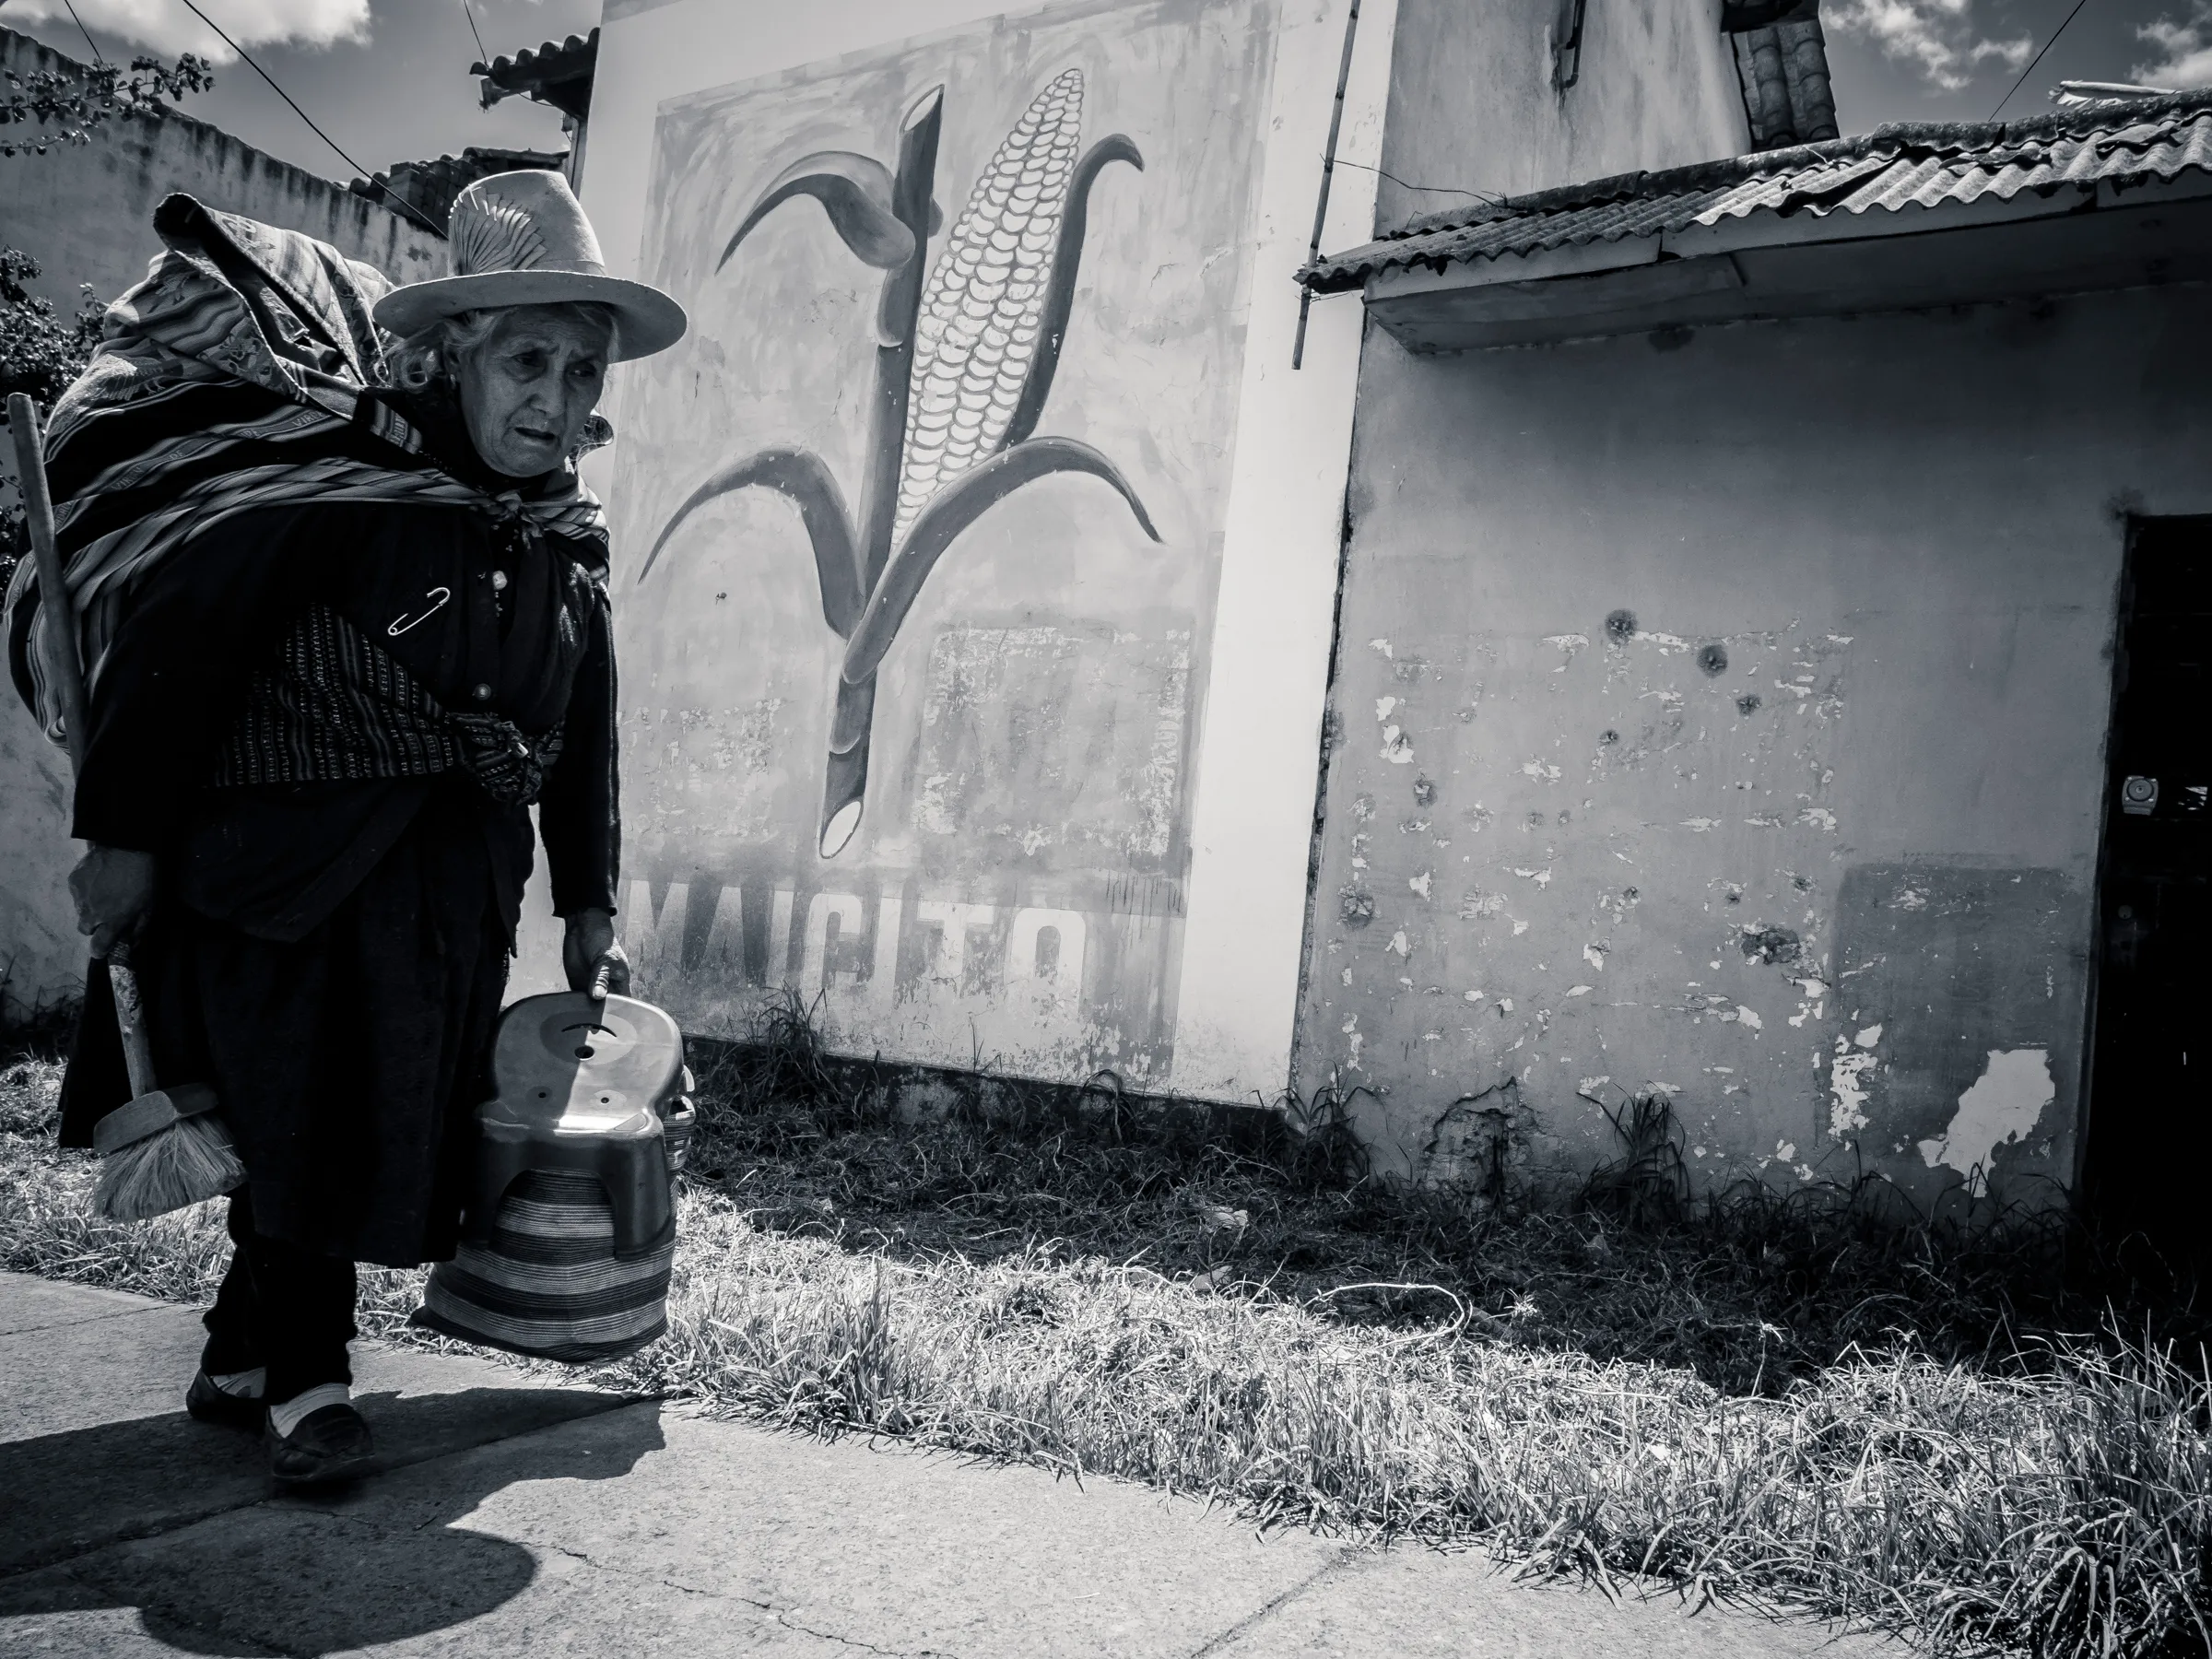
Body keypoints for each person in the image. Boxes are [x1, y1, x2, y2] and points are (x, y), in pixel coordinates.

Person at [43, 171, 688, 1485]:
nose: (554, 402)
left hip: (449, 892)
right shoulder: (334, 487)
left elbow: (585, 733)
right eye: (526, 362)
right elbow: (179, 652)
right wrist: (125, 840)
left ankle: (237, 1348)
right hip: (281, 879)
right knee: (308, 1117)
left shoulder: (564, 538)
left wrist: (590, 902)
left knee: (381, 1112)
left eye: (579, 373)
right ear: (453, 355)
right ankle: (308, 1380)